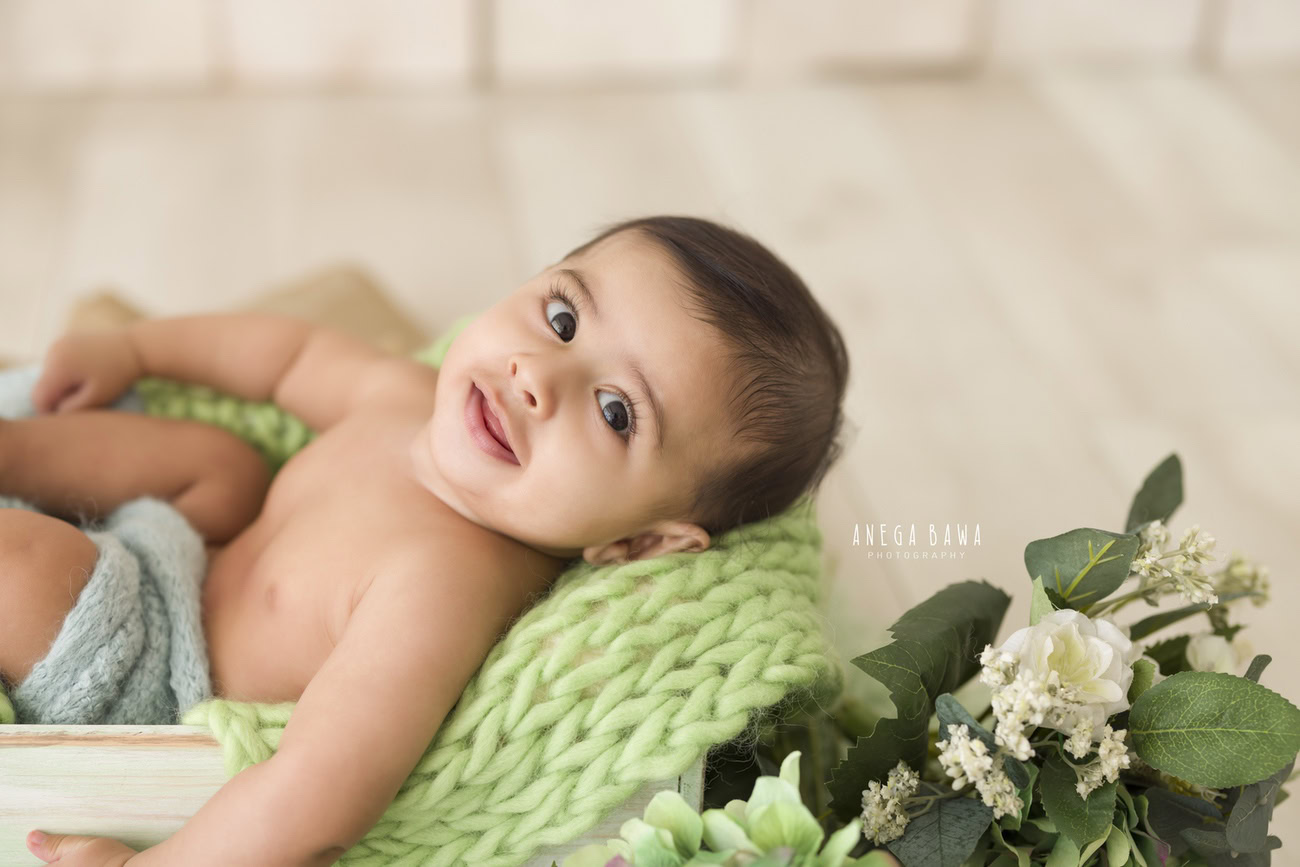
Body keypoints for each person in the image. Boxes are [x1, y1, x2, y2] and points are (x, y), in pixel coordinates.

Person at [0, 215, 850, 865]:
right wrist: (134, 345)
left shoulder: (448, 582)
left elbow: (316, 791)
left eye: (616, 411)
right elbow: (283, 356)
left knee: (29, 567)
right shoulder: (402, 395)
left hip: (153, 672)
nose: (536, 379)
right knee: (220, 461)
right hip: (183, 554)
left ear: (640, 543)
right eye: (561, 318)